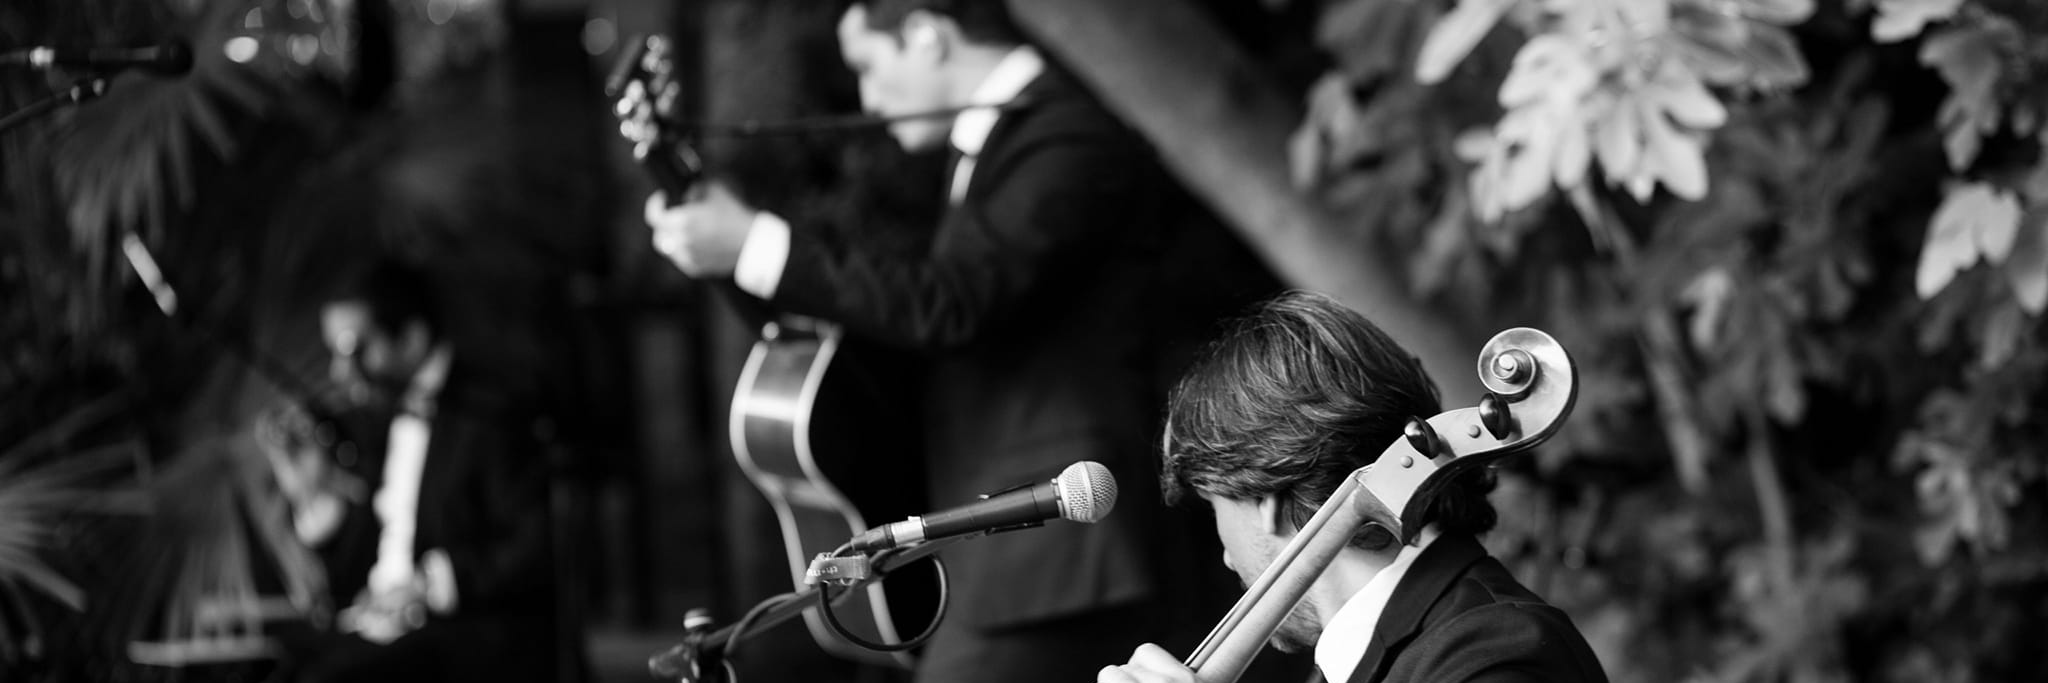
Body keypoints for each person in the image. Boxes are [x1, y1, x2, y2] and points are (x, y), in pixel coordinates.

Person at [642, 1, 1191, 680]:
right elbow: (914, 323)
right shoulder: (1003, 142)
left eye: (869, 66)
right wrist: (737, 257)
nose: (869, 98)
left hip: (1064, 548)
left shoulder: (1068, 134)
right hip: (1010, 548)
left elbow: (953, 301)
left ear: (928, 36)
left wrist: (755, 241)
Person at [1100, 291, 1608, 683]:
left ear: (1265, 499)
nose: (1227, 558)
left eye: (1215, 510)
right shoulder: (1372, 659)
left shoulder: (1492, 654)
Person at [276, 260, 562, 683]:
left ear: (410, 339)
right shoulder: (382, 416)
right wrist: (312, 496)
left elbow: (536, 545)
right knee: (262, 663)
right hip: (382, 630)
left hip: (465, 640)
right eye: (334, 353)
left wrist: (430, 584)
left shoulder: (488, 414)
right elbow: (373, 553)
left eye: (355, 350)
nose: (340, 373)